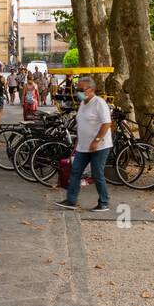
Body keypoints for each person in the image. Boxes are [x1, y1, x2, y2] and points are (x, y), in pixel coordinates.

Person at [54, 76, 112, 212]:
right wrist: (78, 143)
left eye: (80, 89)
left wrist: (97, 140)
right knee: (75, 171)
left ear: (91, 89)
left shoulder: (99, 103)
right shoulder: (83, 103)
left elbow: (106, 123)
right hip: (83, 146)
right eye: (76, 89)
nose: (77, 92)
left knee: (97, 173)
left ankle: (104, 202)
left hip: (99, 146)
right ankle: (71, 200)